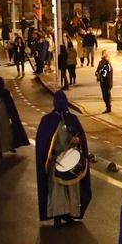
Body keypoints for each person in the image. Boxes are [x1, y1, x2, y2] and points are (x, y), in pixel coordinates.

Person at [35, 92, 94, 225]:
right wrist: (50, 156)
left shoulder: (72, 119)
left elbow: (81, 139)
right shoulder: (48, 120)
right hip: (55, 161)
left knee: (71, 189)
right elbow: (43, 143)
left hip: (69, 160)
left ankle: (69, 213)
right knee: (57, 190)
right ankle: (57, 214)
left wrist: (77, 140)